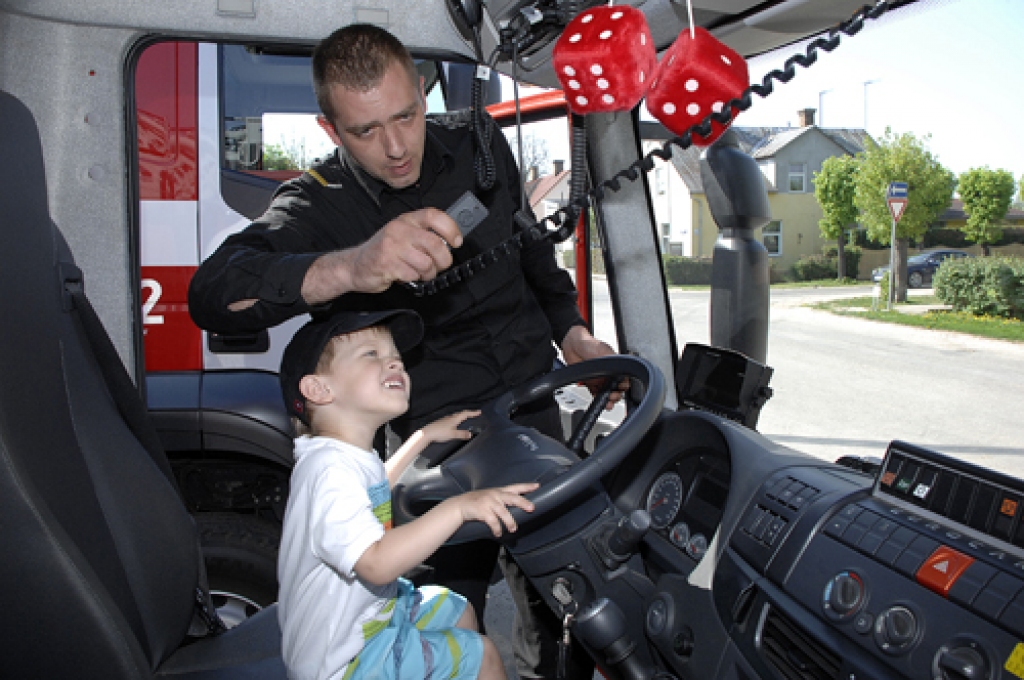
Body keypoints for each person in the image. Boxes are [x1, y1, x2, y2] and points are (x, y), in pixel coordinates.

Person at [188, 22, 612, 679]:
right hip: (441, 440)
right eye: (365, 131)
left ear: (422, 92)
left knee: (566, 604)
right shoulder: (316, 205)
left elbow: (530, 246)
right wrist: (352, 268)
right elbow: (213, 293)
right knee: (442, 608)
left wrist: (572, 332)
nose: (394, 147)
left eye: (406, 116)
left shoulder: (478, 143)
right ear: (332, 131)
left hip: (532, 401)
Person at [277, 307, 538, 680]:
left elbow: (375, 486)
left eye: (396, 358)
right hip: (344, 660)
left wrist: (421, 438)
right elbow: (376, 562)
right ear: (319, 389)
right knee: (481, 657)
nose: (395, 364)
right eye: (372, 355)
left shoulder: (343, 454)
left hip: (370, 615)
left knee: (458, 609)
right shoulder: (329, 472)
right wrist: (459, 509)